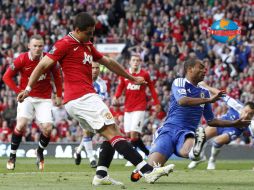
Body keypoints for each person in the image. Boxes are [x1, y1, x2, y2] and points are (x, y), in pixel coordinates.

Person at [17, 12, 175, 186]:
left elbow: (107, 61)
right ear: (77, 30)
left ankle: (101, 174)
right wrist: (28, 89)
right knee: (114, 133)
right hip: (82, 97)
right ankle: (148, 171)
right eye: (88, 32)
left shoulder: (87, 44)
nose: (91, 35)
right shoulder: (64, 44)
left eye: (92, 32)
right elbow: (42, 65)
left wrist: (131, 77)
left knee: (110, 133)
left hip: (78, 100)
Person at [130, 57, 251, 182]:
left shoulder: (204, 92)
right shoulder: (179, 82)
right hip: (169, 130)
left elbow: (211, 121)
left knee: (189, 149)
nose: (205, 70)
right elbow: (183, 101)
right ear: (190, 69)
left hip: (187, 132)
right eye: (201, 67)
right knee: (147, 172)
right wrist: (209, 100)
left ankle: (195, 152)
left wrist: (234, 123)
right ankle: (142, 170)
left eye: (205, 68)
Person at [3, 34, 63, 170]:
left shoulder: (49, 59)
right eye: (34, 46)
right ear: (29, 46)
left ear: (43, 47)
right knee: (21, 124)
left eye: (40, 46)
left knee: (48, 128)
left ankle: (40, 152)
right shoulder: (22, 59)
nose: (37, 48)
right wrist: (19, 91)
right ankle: (12, 155)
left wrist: (59, 95)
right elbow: (6, 77)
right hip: (27, 97)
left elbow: (58, 77)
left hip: (44, 98)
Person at [187, 85, 254, 170]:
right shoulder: (235, 105)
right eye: (246, 111)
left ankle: (212, 160)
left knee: (217, 141)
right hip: (223, 122)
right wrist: (205, 85)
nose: (246, 115)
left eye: (250, 114)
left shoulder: (252, 125)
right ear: (243, 108)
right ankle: (200, 157)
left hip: (234, 130)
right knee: (202, 136)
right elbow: (221, 94)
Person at [113, 53, 160, 166]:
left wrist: (157, 102)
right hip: (128, 107)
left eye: (138, 60)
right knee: (130, 135)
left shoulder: (145, 74)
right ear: (130, 61)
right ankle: (148, 153)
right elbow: (120, 87)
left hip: (140, 107)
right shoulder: (124, 74)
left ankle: (133, 159)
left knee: (134, 133)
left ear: (140, 62)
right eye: (133, 60)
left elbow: (152, 88)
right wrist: (116, 96)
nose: (135, 62)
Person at [74, 62, 108, 168]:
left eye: (97, 68)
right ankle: (92, 158)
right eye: (92, 68)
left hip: (96, 110)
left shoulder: (102, 84)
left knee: (91, 134)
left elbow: (101, 99)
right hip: (82, 109)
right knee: (87, 132)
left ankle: (78, 151)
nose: (95, 70)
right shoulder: (82, 80)